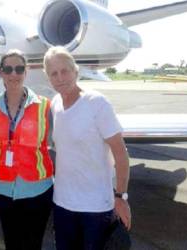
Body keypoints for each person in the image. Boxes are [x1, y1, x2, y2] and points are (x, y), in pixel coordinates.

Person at [43, 46, 131, 250]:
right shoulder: (55, 104)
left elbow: (121, 154)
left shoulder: (96, 103)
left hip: (96, 208)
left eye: (64, 70)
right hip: (63, 204)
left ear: (76, 71)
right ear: (49, 78)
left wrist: (121, 197)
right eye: (53, 73)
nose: (60, 78)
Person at [0, 49, 54, 250]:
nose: (13, 74)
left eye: (19, 69)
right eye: (8, 69)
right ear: (0, 73)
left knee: (33, 243)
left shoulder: (45, 106)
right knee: (12, 242)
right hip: (3, 189)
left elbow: (63, 144)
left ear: (27, 71)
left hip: (38, 189)